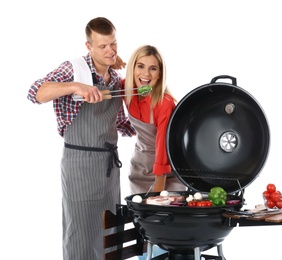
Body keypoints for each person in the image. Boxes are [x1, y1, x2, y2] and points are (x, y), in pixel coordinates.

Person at [27, 17, 135, 260]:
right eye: (102, 46)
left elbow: (119, 123)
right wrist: (76, 87)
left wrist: (147, 131)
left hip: (108, 169)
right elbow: (35, 92)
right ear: (89, 47)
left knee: (109, 231)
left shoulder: (115, 79)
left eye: (113, 44)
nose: (110, 51)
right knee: (80, 233)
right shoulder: (73, 69)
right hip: (79, 165)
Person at [124, 45, 187, 194]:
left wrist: (157, 193)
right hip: (138, 171)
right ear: (132, 69)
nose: (146, 74)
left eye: (153, 68)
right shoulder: (127, 90)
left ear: (160, 74)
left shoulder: (164, 103)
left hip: (166, 174)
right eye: (140, 66)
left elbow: (162, 149)